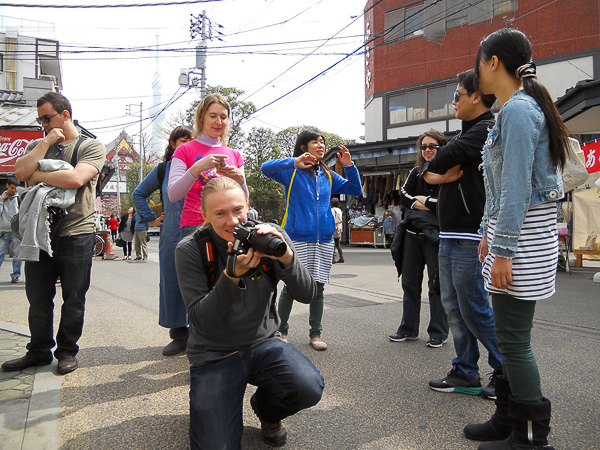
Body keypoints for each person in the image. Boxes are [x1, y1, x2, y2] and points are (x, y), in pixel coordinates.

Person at [462, 28, 568, 450]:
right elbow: (500, 184)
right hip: (514, 236)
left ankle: (530, 437)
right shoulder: (514, 109)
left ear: (492, 63)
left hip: (522, 240)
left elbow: (518, 188)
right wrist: (489, 230)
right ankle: (507, 419)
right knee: (509, 336)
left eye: (478, 62)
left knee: (514, 341)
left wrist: (502, 248)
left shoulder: (519, 111)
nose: (476, 71)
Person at [175, 177, 324, 449]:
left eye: (238, 210)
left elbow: (307, 294)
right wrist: (231, 277)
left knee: (307, 386)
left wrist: (286, 257)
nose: (232, 221)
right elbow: (200, 321)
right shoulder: (192, 249)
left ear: (248, 207)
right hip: (213, 353)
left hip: (263, 343)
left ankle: (267, 410)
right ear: (204, 215)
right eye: (220, 213)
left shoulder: (267, 237)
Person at [1, 92, 105, 375]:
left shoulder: (90, 145)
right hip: (38, 232)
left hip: (77, 232)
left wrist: (38, 176)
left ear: (65, 115)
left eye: (47, 118)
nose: (43, 124)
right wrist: (46, 142)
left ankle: (67, 351)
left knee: (73, 297)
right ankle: (37, 351)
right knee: (37, 296)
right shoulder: (39, 143)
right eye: (40, 119)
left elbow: (75, 178)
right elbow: (21, 172)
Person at [424, 70, 503, 399]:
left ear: (477, 97)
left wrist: (438, 171)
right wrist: (440, 178)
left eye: (458, 95)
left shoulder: (486, 130)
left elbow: (439, 160)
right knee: (453, 306)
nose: (453, 101)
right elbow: (430, 170)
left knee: (473, 307)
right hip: (450, 233)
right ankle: (466, 371)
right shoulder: (467, 134)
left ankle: (507, 371)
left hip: (472, 235)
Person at [261, 131, 362, 350]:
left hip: (323, 240)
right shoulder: (290, 171)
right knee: (291, 286)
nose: (321, 145)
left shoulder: (328, 176)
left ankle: (315, 334)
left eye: (323, 142)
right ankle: (282, 331)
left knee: (318, 287)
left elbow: (356, 189)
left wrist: (349, 165)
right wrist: (293, 161)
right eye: (316, 141)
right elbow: (265, 168)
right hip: (296, 237)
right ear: (303, 147)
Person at [132, 126, 192, 356]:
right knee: (172, 282)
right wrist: (151, 218)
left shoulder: (202, 167)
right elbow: (139, 193)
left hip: (200, 232)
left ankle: (202, 335)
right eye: (181, 140)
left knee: (204, 283)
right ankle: (179, 335)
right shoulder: (163, 169)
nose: (186, 143)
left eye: (190, 139)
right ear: (172, 143)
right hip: (172, 233)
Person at [389, 130, 448, 348]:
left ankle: (438, 332)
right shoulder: (415, 171)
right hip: (412, 235)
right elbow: (403, 196)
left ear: (442, 147)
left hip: (435, 236)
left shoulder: (448, 172)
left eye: (432, 146)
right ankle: (408, 328)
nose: (427, 150)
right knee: (410, 284)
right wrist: (425, 204)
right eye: (423, 147)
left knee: (436, 285)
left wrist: (427, 201)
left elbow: (447, 202)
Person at [167, 94, 247, 235]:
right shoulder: (184, 150)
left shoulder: (235, 155)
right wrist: (197, 168)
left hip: (230, 226)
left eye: (223, 117)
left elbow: (245, 202)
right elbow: (173, 195)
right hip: (196, 226)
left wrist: (240, 180)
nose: (218, 121)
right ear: (202, 117)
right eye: (213, 116)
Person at [0, 178, 23, 283]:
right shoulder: (1, 198)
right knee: (1, 253)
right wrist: (1, 200)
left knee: (17, 255)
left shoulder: (19, 198)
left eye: (15, 188)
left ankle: (15, 275)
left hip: (16, 231)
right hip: (3, 230)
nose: (14, 190)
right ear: (7, 185)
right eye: (12, 188)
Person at [330, 197, 344, 263]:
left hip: (333, 228)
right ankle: (341, 257)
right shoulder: (339, 210)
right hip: (339, 228)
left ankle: (333, 258)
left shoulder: (332, 210)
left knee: (332, 243)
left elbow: (331, 219)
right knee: (337, 243)